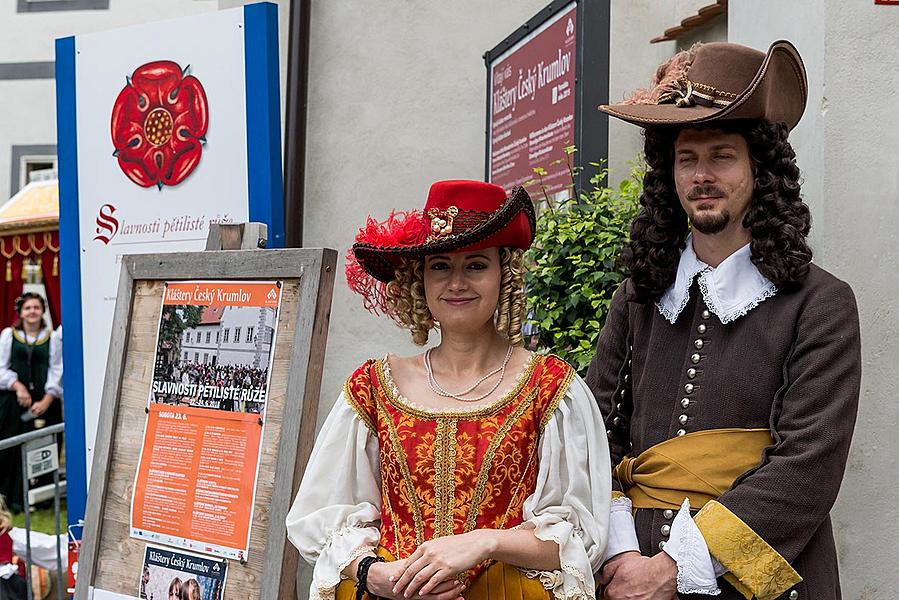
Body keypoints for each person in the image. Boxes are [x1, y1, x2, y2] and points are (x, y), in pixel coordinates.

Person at [588, 41, 861, 600]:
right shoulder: (638, 298)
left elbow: (807, 468)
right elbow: (594, 437)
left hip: (760, 578)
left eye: (722, 156)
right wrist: (622, 556)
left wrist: (673, 568)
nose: (702, 175)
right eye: (687, 158)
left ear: (760, 170)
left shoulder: (821, 304)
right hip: (630, 570)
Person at [286, 181, 611, 600]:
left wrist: (486, 541)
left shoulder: (552, 388)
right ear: (421, 280)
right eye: (440, 266)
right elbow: (321, 517)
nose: (456, 282)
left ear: (504, 275)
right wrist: (376, 574)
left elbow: (582, 536)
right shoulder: (372, 387)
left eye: (475, 265)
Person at [0, 293, 63, 512]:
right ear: (21, 312)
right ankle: (9, 498)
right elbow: (1, 367)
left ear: (42, 310)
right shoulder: (10, 335)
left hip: (45, 402)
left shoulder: (52, 337)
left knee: (43, 448)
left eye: (36, 307)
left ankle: (39, 498)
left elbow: (57, 370)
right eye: (28, 308)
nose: (32, 311)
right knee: (11, 447)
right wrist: (18, 387)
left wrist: (47, 399)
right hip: (13, 402)